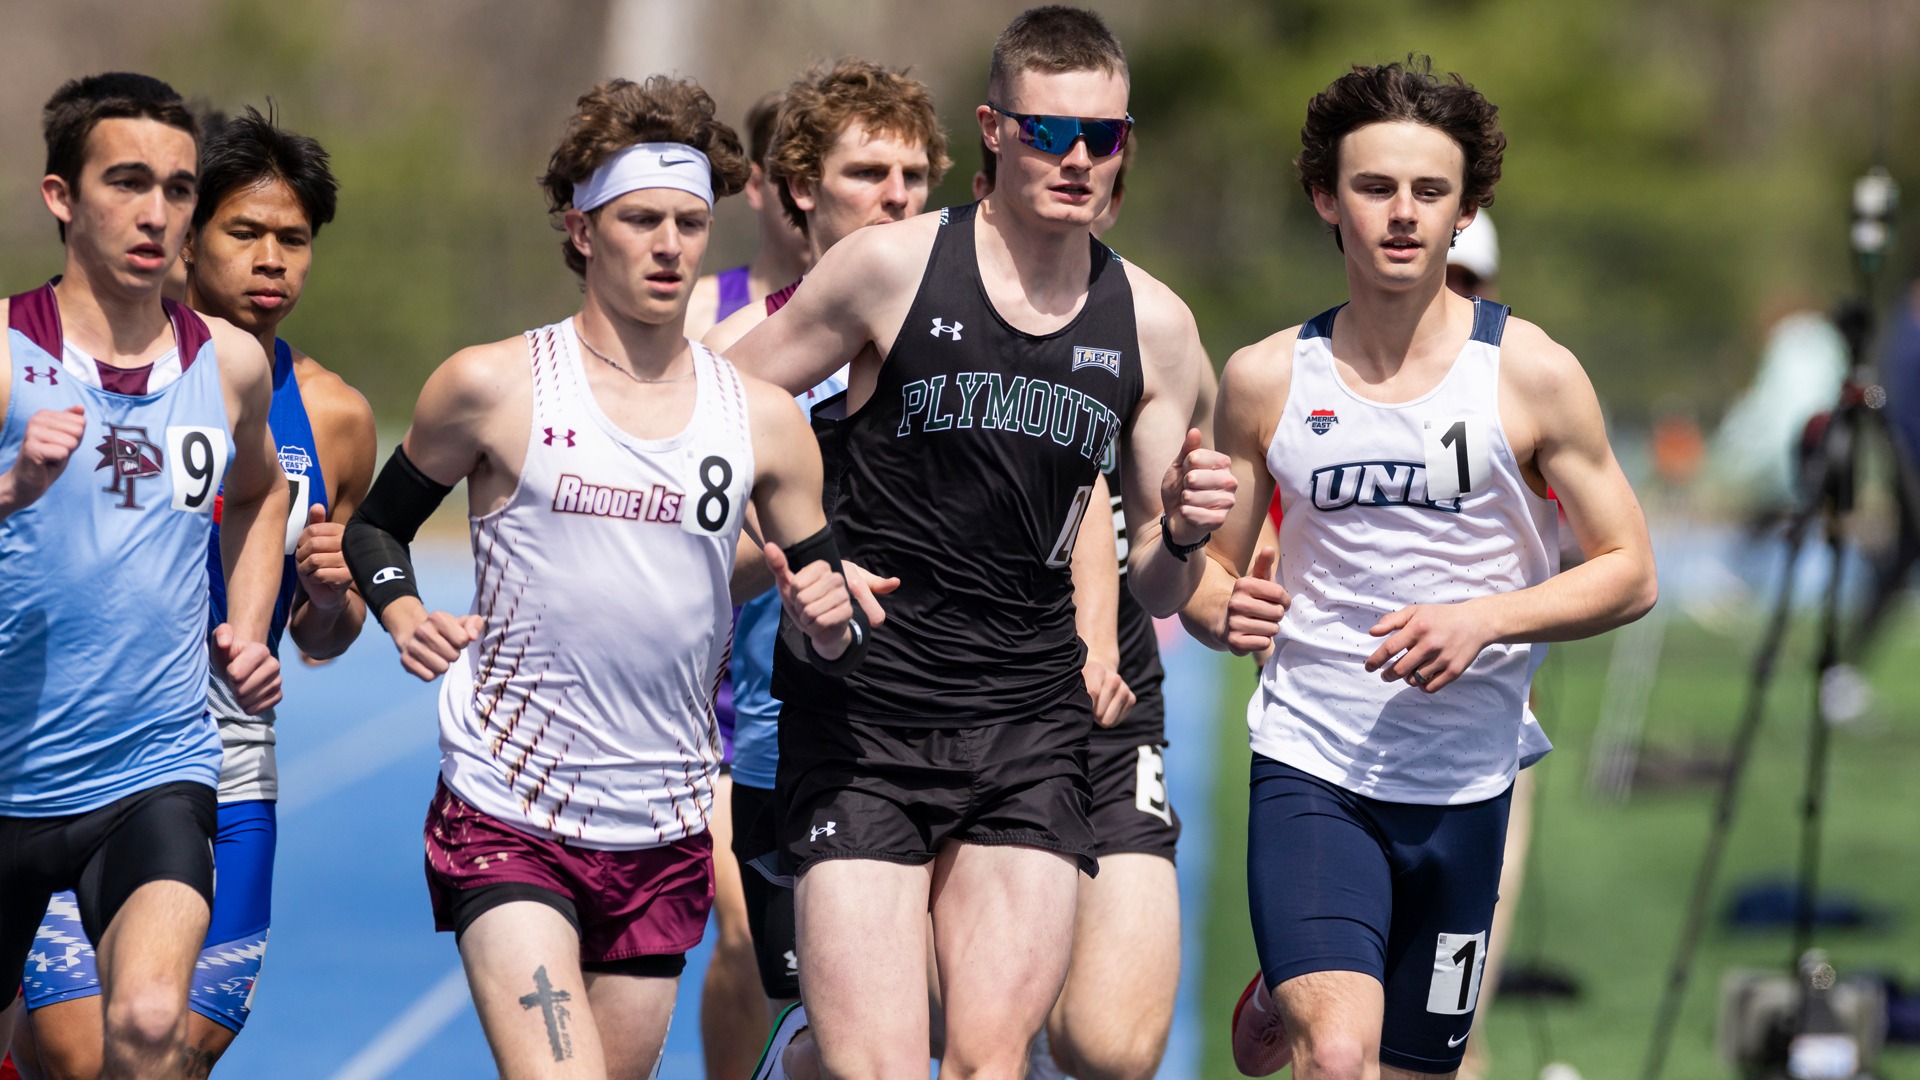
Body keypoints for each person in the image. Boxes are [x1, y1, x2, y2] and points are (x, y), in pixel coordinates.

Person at [724, 8, 1233, 1078]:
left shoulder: (1158, 326)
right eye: (1052, 133)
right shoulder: (889, 270)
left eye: (1105, 136)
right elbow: (727, 412)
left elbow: (1155, 580)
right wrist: (803, 551)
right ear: (995, 130)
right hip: (867, 718)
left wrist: (1184, 529)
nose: (1079, 158)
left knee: (993, 1064)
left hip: (1028, 727)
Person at [341, 76, 861, 1079]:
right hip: (509, 807)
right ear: (583, 231)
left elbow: (826, 605)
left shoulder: (760, 419)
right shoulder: (492, 386)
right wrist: (402, 612)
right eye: (641, 220)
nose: (669, 245)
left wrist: (826, 615)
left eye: (689, 222)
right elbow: (378, 528)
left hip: (660, 825)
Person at [1195, 60, 1658, 1079]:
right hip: (1316, 762)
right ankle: (1310, 982)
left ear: (1465, 210)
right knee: (1338, 1055)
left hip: (1466, 781)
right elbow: (1208, 580)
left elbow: (1631, 571)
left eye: (1429, 191)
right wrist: (1222, 607)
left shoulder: (1532, 373)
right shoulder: (1268, 378)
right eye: (1374, 187)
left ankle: (1288, 978)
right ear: (1327, 198)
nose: (1401, 215)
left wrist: (1487, 619)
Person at [11, 105, 374, 1080]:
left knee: (167, 1038)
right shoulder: (35, 356)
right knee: (64, 1052)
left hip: (207, 754)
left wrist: (310, 611)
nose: (271, 261)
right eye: (243, 232)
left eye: (292, 240)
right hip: (39, 747)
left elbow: (319, 628)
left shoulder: (319, 408)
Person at [701, 55, 946, 1060]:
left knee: (960, 1017)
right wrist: (798, 561)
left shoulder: (975, 336)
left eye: (915, 177)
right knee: (844, 1041)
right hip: (790, 739)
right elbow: (687, 559)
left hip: (968, 729)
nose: (896, 198)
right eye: (866, 175)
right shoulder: (741, 352)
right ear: (799, 188)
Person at [974, 128, 1197, 1080]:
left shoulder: (1154, 326)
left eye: (1100, 157)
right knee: (971, 1027)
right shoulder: (925, 312)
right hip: (961, 702)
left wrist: (1205, 549)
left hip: (1110, 708)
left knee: (1112, 1045)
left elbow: (1166, 535)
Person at [683, 95, 813, 342]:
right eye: (797, 181)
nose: (810, 198)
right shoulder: (691, 315)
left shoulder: (883, 315)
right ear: (755, 185)